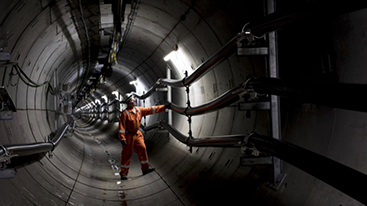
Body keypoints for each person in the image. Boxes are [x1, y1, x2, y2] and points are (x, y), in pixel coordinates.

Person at [118, 94, 170, 180]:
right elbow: (122, 127)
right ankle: (123, 173)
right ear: (128, 102)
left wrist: (164, 107)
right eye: (132, 100)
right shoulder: (125, 113)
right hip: (129, 136)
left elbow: (151, 110)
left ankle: (145, 169)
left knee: (142, 148)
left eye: (134, 100)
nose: (134, 101)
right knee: (127, 154)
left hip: (137, 134)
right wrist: (122, 138)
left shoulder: (138, 110)